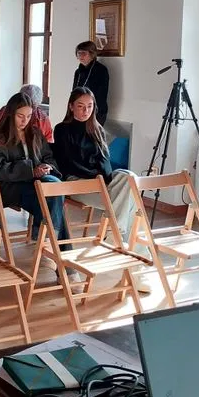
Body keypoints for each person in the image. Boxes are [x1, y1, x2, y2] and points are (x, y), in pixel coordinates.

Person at [52, 87, 149, 292]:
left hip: (100, 183)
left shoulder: (97, 129)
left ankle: (116, 233)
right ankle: (139, 271)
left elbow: (105, 163)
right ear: (71, 106)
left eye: (89, 106)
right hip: (77, 182)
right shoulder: (62, 130)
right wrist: (95, 178)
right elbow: (69, 163)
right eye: (80, 106)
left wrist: (103, 179)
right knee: (132, 207)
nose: (85, 111)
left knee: (128, 177)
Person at [0, 93, 71, 249]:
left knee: (54, 188)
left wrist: (46, 167)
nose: (25, 121)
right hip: (7, 187)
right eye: (20, 116)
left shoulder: (35, 133)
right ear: (10, 114)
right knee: (49, 200)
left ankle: (46, 239)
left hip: (34, 183)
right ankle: (53, 245)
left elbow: (48, 157)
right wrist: (31, 171)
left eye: (29, 116)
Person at [73, 41, 110, 125]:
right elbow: (74, 92)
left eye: (84, 53)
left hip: (96, 111)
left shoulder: (101, 70)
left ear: (92, 54)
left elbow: (101, 95)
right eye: (79, 53)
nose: (80, 56)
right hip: (79, 110)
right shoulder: (78, 72)